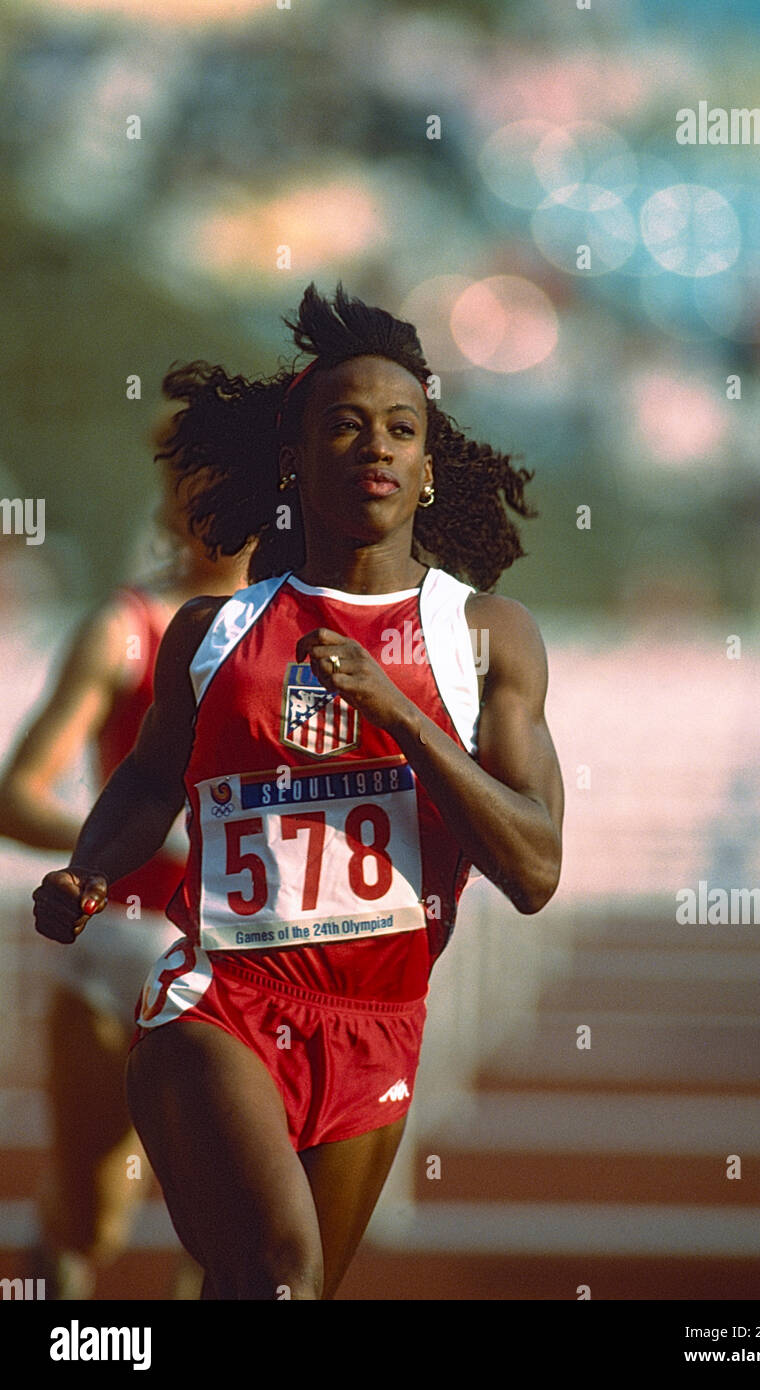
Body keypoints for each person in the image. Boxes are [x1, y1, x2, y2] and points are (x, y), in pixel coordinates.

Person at [32, 283, 564, 1301]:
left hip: (379, 1020)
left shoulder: (482, 639)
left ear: (427, 466)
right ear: (294, 456)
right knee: (282, 1273)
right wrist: (91, 865)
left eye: (401, 429)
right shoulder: (215, 632)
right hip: (217, 1000)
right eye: (344, 425)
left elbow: (534, 867)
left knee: (281, 1293)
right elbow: (149, 776)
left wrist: (400, 714)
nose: (375, 445)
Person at [1, 458, 249, 1297]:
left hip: (242, 963)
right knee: (90, 1217)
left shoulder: (298, 626)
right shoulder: (125, 625)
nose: (211, 512)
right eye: (193, 490)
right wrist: (132, 847)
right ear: (171, 503)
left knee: (233, 1225)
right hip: (117, 950)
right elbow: (16, 797)